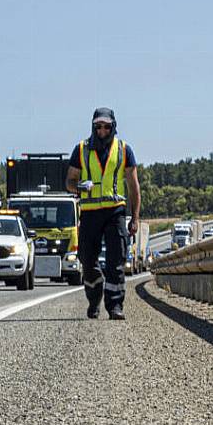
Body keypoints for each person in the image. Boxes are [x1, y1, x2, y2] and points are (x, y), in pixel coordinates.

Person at [65, 108, 141, 320]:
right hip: (89, 213)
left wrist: (134, 218)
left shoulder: (124, 150)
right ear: (93, 126)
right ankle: (94, 297)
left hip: (115, 211)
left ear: (113, 126)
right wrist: (79, 187)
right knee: (87, 260)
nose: (102, 130)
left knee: (116, 259)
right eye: (98, 126)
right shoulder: (80, 149)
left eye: (107, 126)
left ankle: (115, 305)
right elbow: (69, 182)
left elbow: (134, 187)